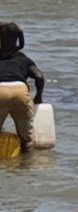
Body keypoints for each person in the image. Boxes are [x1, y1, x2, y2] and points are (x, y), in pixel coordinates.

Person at [0, 22, 45, 153]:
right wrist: (39, 97)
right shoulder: (22, 58)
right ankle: (26, 168)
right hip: (20, 91)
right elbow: (39, 76)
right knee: (27, 140)